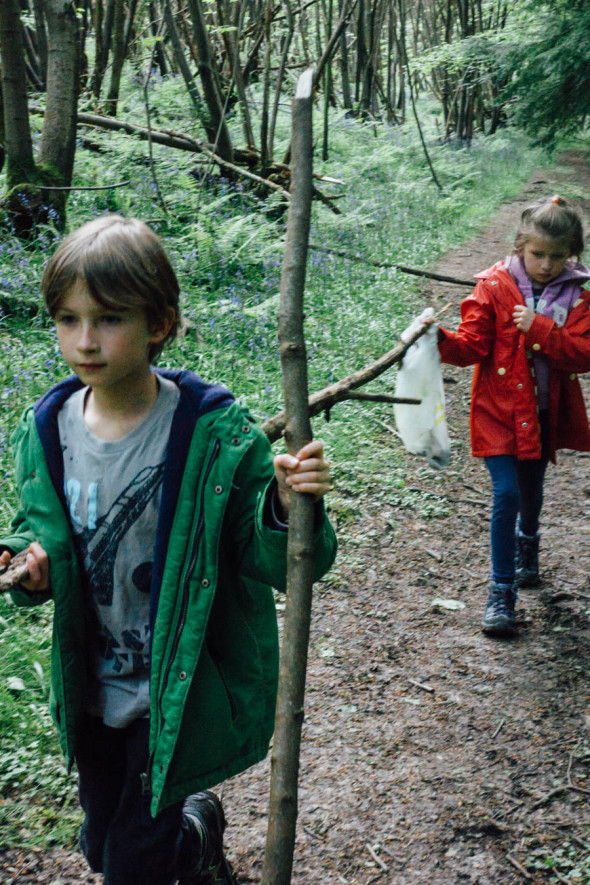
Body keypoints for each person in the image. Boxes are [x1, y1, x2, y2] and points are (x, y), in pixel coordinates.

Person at [0, 214, 337, 884]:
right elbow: (35, 530)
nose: (85, 340)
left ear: (159, 323)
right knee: (102, 846)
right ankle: (198, 834)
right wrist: (28, 565)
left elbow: (280, 558)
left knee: (129, 865)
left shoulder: (213, 435)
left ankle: (180, 840)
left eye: (109, 318)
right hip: (92, 686)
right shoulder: (45, 431)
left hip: (170, 693)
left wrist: (288, 501)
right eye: (68, 319)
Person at [430, 195, 590, 638]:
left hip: (542, 416)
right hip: (498, 412)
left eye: (558, 257)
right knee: (507, 495)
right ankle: (501, 593)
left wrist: (537, 327)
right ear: (521, 246)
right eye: (538, 254)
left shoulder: (578, 295)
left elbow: (584, 355)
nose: (546, 265)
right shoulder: (494, 286)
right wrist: (437, 340)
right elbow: (472, 346)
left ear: (571, 255)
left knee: (531, 491)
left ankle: (529, 545)